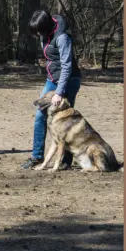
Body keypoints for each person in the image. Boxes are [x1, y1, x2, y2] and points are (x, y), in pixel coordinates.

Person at [20, 9, 83, 169]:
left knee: (66, 118)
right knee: (40, 114)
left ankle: (66, 161)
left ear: (46, 27)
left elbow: (67, 66)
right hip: (52, 79)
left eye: (39, 32)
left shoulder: (62, 37)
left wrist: (60, 92)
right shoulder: (45, 32)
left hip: (68, 80)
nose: (37, 35)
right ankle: (37, 156)